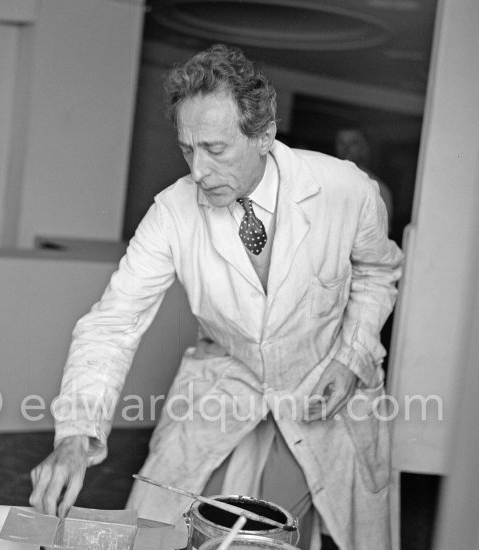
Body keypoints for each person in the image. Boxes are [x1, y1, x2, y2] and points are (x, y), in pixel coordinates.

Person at [30, 44, 404, 550]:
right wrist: (76, 435)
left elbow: (378, 274)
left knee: (290, 535)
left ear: (264, 135)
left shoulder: (346, 190)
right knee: (164, 528)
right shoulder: (172, 212)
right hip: (226, 380)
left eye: (215, 148)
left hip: (324, 386)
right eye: (188, 149)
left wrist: (351, 357)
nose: (198, 171)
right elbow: (113, 323)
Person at [334, 127, 394, 232]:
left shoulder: (379, 189)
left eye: (353, 143)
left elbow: (381, 236)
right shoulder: (327, 179)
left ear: (364, 147)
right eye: (341, 143)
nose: (346, 149)